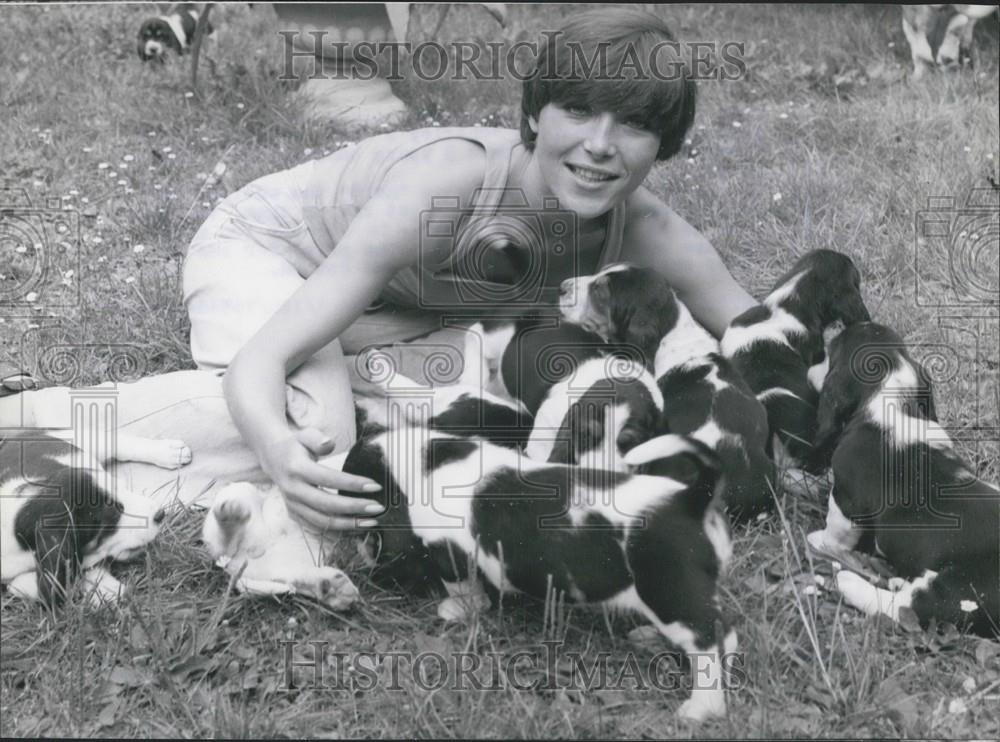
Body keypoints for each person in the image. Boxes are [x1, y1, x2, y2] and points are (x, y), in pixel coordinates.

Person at [181, 6, 757, 533]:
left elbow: (764, 336)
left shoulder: (646, 229)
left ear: (665, 143)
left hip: (398, 310)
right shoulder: (448, 184)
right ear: (535, 113)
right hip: (273, 248)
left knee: (505, 401)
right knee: (320, 428)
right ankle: (120, 443)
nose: (600, 144)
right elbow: (267, 353)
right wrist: (276, 447)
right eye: (578, 110)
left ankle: (340, 386)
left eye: (633, 123)